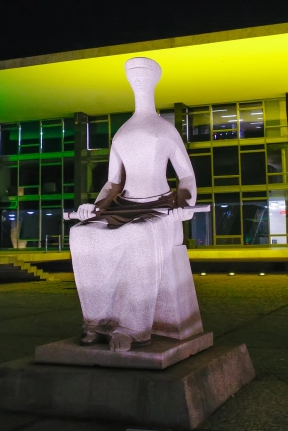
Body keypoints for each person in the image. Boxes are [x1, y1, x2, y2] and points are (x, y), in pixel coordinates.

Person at [70, 57, 198, 352]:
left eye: (144, 77)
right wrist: (96, 207)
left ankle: (133, 326)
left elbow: (187, 175)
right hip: (122, 207)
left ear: (154, 82)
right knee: (81, 234)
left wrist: (184, 204)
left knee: (139, 235)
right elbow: (113, 182)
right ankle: (96, 320)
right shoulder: (122, 133)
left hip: (160, 208)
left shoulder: (165, 130)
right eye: (134, 78)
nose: (138, 82)